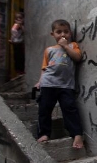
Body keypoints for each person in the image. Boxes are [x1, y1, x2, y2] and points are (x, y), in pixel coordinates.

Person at [35, 19, 84, 149]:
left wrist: (65, 46)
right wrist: (40, 81)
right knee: (44, 109)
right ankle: (44, 133)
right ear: (53, 34)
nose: (63, 34)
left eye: (66, 32)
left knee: (70, 109)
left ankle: (77, 135)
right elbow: (44, 68)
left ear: (70, 33)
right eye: (59, 32)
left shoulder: (73, 46)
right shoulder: (49, 50)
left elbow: (78, 58)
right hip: (48, 83)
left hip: (66, 86)